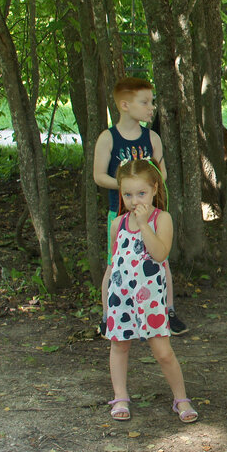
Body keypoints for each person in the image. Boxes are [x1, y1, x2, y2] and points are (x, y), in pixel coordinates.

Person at [102, 159, 198, 424]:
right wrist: (105, 306)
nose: (134, 201)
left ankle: (181, 397)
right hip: (120, 299)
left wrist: (144, 224)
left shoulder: (161, 219)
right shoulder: (117, 225)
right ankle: (120, 395)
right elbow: (112, 268)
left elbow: (159, 253)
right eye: (128, 194)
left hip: (151, 302)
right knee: (119, 347)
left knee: (163, 352)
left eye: (141, 193)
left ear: (155, 189)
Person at [92, 77, 186, 334]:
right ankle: (107, 315)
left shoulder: (152, 137)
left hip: (150, 214)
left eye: (151, 102)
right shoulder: (108, 138)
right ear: (124, 105)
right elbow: (98, 175)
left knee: (160, 261)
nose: (151, 107)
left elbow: (161, 173)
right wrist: (127, 189)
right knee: (114, 263)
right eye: (144, 102)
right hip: (121, 212)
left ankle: (167, 311)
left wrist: (146, 189)